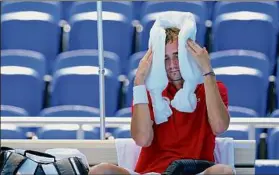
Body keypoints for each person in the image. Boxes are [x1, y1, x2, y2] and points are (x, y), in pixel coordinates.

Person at [89, 28, 234, 175]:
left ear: (189, 55)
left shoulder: (211, 87)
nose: (172, 65)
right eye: (165, 58)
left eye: (177, 56)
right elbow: (143, 139)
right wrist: (139, 81)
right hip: (152, 172)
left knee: (223, 172)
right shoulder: (149, 91)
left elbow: (219, 126)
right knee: (100, 171)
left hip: (194, 171)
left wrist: (207, 70)